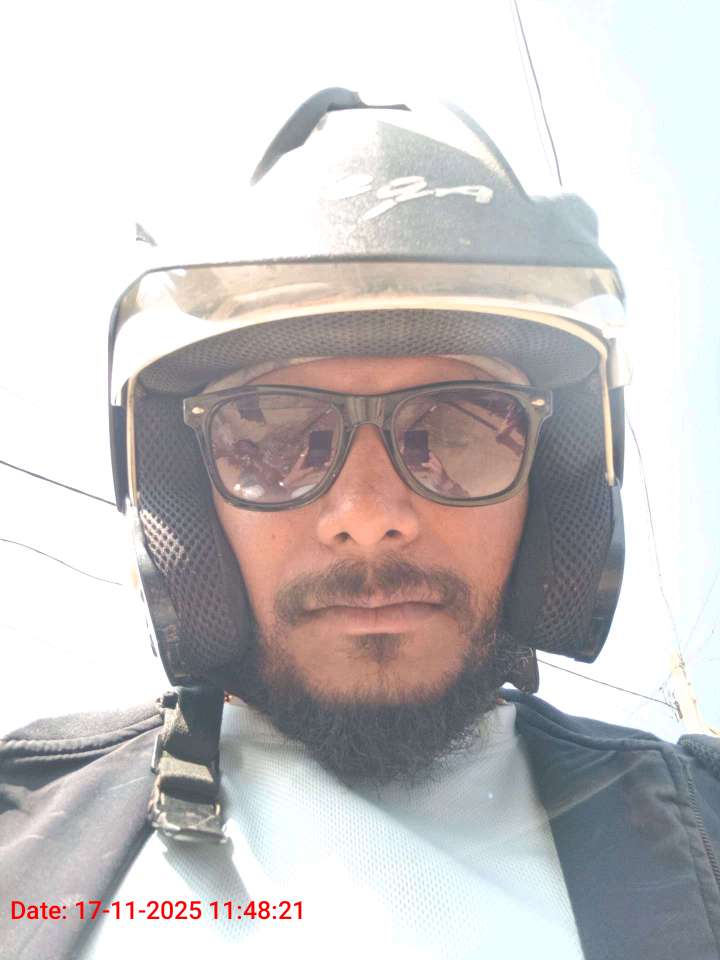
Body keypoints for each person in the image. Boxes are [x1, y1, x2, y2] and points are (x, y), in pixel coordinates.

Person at [2, 88, 719, 960]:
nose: (370, 517)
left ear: (554, 488)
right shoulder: (22, 839)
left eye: (457, 430)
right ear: (184, 498)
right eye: (270, 437)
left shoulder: (703, 831)